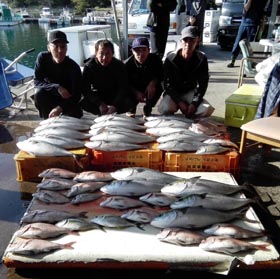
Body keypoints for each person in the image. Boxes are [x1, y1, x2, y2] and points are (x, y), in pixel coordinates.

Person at [158, 26, 214, 118]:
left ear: (197, 41)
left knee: (206, 110)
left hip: (190, 92)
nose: (188, 44)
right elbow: (166, 84)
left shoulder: (201, 59)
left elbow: (203, 84)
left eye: (191, 41)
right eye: (185, 40)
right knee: (165, 108)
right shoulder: (170, 58)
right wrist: (180, 102)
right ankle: (175, 110)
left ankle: (191, 113)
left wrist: (194, 103)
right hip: (173, 93)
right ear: (180, 41)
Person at [33, 30, 83, 119]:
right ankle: (46, 120)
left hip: (67, 100)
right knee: (39, 93)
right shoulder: (42, 58)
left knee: (76, 114)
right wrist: (57, 87)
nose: (60, 50)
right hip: (50, 95)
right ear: (49, 48)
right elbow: (36, 81)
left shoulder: (74, 67)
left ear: (66, 48)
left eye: (63, 47)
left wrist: (60, 107)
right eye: (56, 47)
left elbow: (77, 95)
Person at [80, 39, 135, 115]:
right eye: (101, 54)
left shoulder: (119, 65)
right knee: (83, 102)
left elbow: (124, 87)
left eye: (108, 53)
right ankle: (100, 114)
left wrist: (115, 105)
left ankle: (114, 113)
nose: (104, 57)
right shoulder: (89, 66)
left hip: (114, 95)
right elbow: (85, 89)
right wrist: (99, 103)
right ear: (96, 53)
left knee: (129, 101)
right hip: (98, 95)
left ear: (113, 53)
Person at [124, 37, 163, 117]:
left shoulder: (156, 60)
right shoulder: (126, 65)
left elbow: (161, 75)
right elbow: (124, 84)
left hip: (149, 87)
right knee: (125, 91)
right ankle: (131, 108)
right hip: (134, 88)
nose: (141, 54)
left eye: (144, 50)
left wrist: (153, 83)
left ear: (149, 50)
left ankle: (148, 107)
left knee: (159, 87)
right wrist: (135, 92)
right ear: (132, 51)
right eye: (137, 50)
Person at [227, 0, 269, 68]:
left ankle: (248, 64)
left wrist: (262, 23)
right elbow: (246, 8)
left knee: (250, 45)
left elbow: (264, 10)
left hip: (254, 23)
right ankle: (232, 60)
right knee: (238, 43)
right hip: (245, 22)